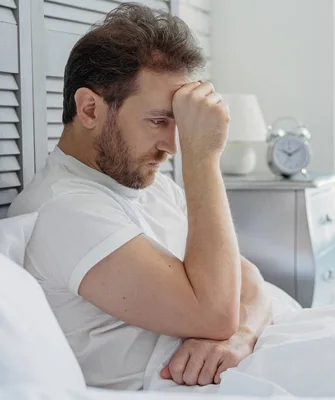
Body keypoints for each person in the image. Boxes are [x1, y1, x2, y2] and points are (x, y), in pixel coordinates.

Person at [8, 3, 273, 391]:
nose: (173, 145)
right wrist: (204, 159)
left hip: (241, 364)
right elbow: (216, 313)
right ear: (89, 109)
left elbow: (246, 277)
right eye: (158, 120)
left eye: (179, 123)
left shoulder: (147, 183)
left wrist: (243, 333)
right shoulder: (64, 211)